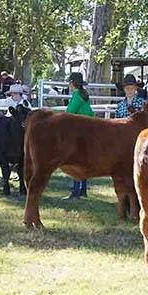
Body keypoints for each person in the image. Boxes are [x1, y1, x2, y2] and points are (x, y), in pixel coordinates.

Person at [63, 72, 94, 200]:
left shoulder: (76, 96)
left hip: (79, 132)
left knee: (75, 161)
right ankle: (83, 190)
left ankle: (76, 191)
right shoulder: (84, 95)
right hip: (88, 130)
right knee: (83, 161)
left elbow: (69, 112)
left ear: (72, 84)